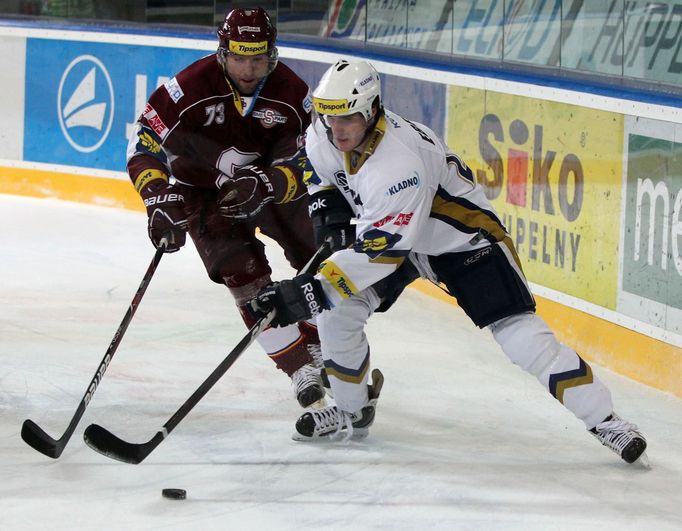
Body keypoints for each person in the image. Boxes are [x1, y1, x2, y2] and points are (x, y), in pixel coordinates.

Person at [231, 58, 647, 464]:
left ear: (372, 111)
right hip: (403, 240)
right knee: (337, 313)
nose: (337, 129)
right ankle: (351, 410)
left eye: (348, 119)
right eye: (329, 118)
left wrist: (304, 293)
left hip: (463, 243)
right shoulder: (329, 130)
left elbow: (379, 255)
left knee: (522, 339)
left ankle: (606, 420)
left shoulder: (397, 165)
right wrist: (328, 214)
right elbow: (315, 170)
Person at [126, 7, 326, 408]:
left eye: (258, 58)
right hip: (203, 194)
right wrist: (156, 196)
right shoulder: (189, 87)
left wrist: (273, 182)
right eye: (239, 57)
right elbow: (143, 141)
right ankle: (299, 364)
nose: (249, 69)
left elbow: (317, 157)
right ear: (222, 53)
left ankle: (321, 340)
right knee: (241, 272)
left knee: (321, 256)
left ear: (271, 53)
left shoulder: (292, 93)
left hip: (273, 190)